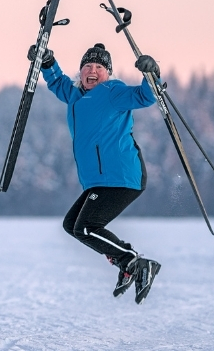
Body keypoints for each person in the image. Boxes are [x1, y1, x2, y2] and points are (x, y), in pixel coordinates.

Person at [31, 41, 163, 303]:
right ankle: (126, 261)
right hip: (99, 181)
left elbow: (145, 96)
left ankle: (132, 261)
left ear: (108, 73)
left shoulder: (112, 91)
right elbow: (58, 84)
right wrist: (46, 62)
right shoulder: (76, 96)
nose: (93, 70)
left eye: (99, 67)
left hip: (120, 177)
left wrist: (152, 74)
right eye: (87, 66)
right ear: (80, 72)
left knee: (87, 227)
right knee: (72, 225)